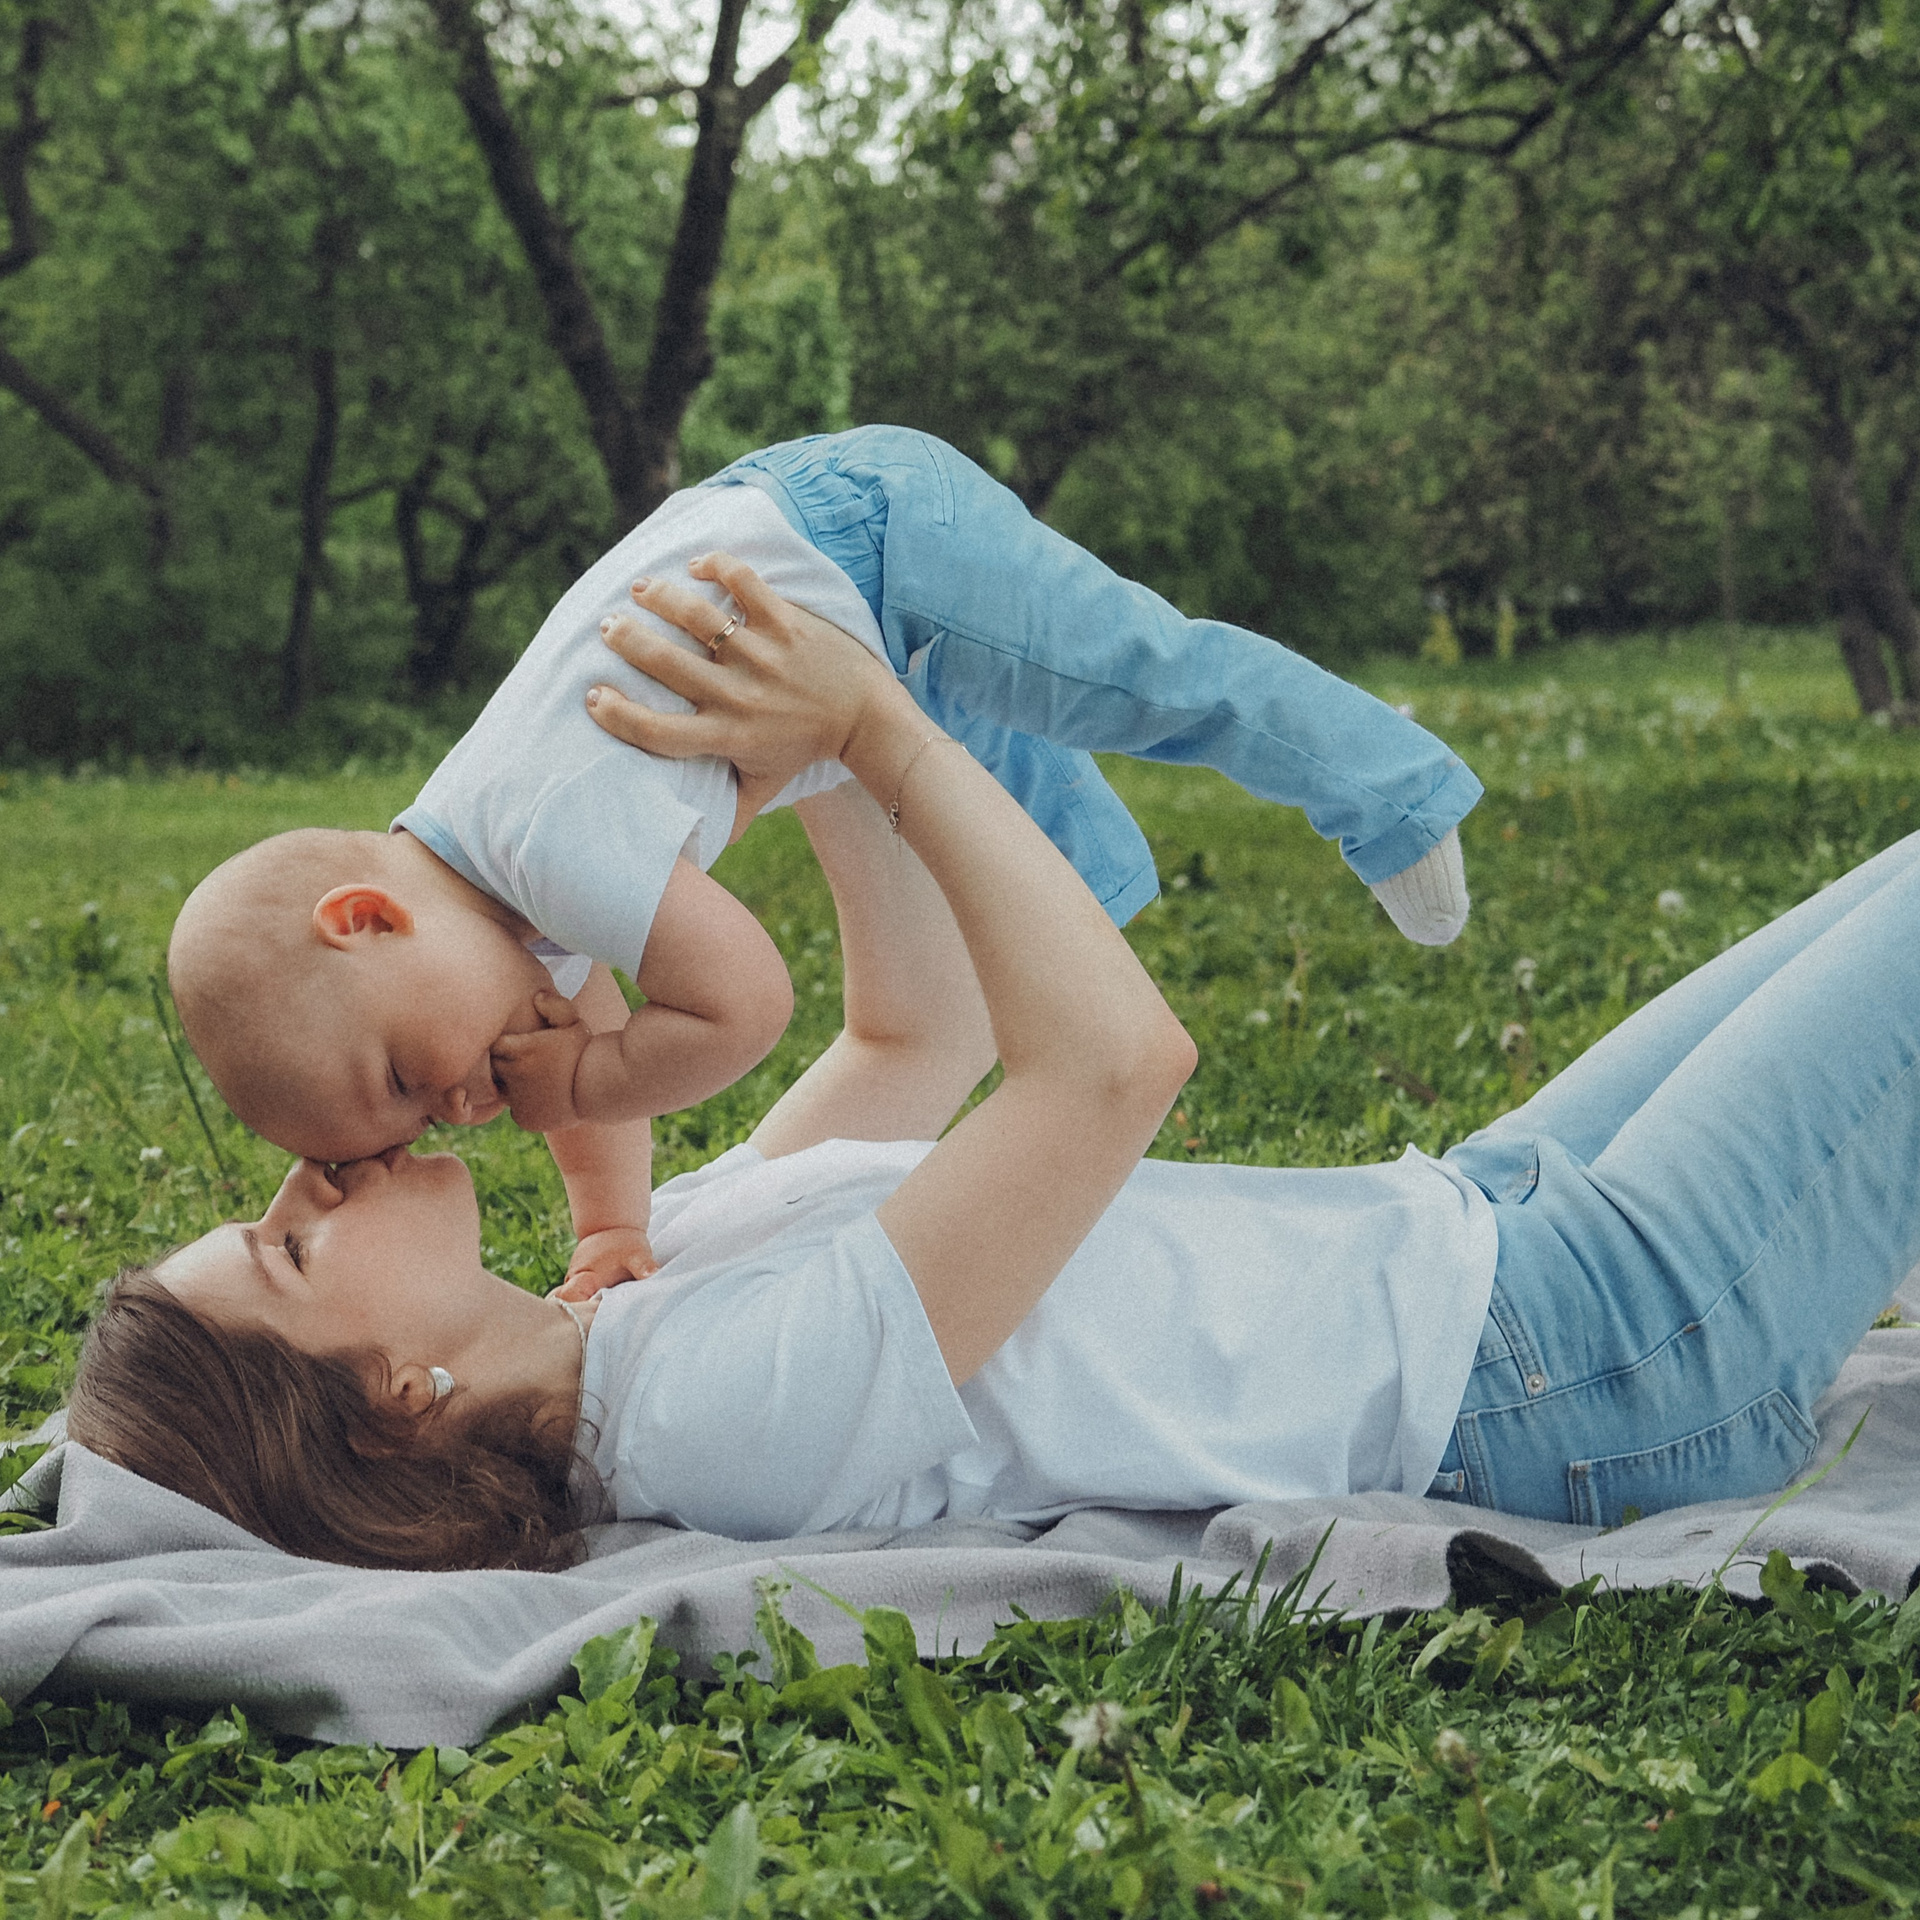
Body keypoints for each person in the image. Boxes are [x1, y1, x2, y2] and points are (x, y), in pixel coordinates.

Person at [71, 565, 1918, 1570]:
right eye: (290, 1248)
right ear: (396, 1394)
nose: (312, 1175)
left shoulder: (644, 1280)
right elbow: (1108, 1068)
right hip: (1584, 1361)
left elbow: (913, 1037)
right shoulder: (733, 1417)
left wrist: (798, 737)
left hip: (1486, 1224)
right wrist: (882, 733)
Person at [166, 426, 1481, 1298]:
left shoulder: (544, 835)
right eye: (414, 1121)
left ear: (366, 919)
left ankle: (1388, 785)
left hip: (871, 545)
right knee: (1017, 827)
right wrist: (610, 1229)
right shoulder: (486, 894)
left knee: (1135, 676)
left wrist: (596, 1066)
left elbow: (742, 1006)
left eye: (404, 1074)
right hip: (830, 621)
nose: (455, 1106)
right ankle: (1106, 901)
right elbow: (594, 1083)